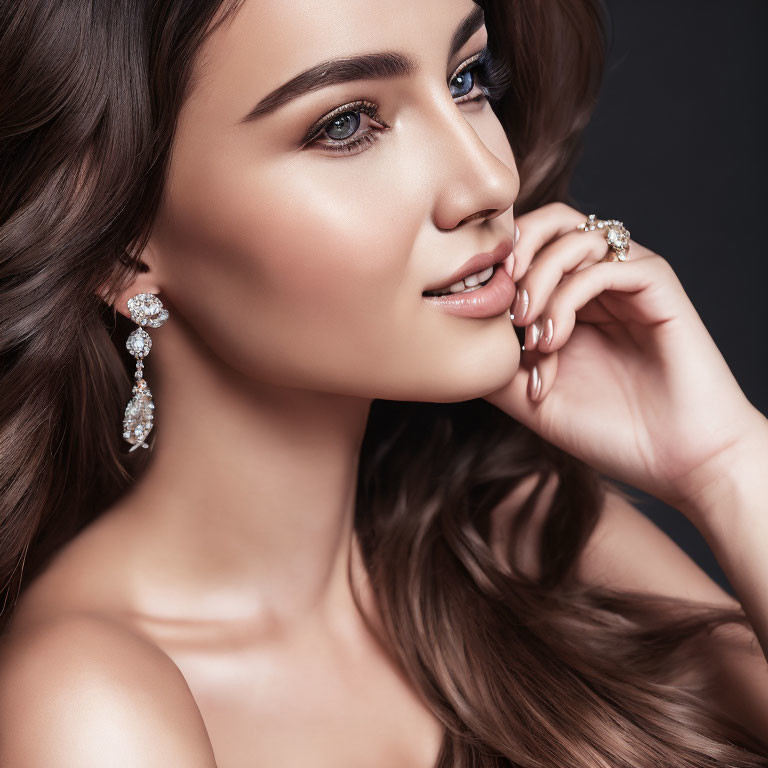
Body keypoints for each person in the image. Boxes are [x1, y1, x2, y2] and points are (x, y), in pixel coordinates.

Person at [0, 0, 767, 765]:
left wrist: (724, 463)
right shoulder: (89, 704)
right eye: (346, 124)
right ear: (123, 244)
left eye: (468, 79)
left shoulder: (515, 534)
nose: (489, 179)